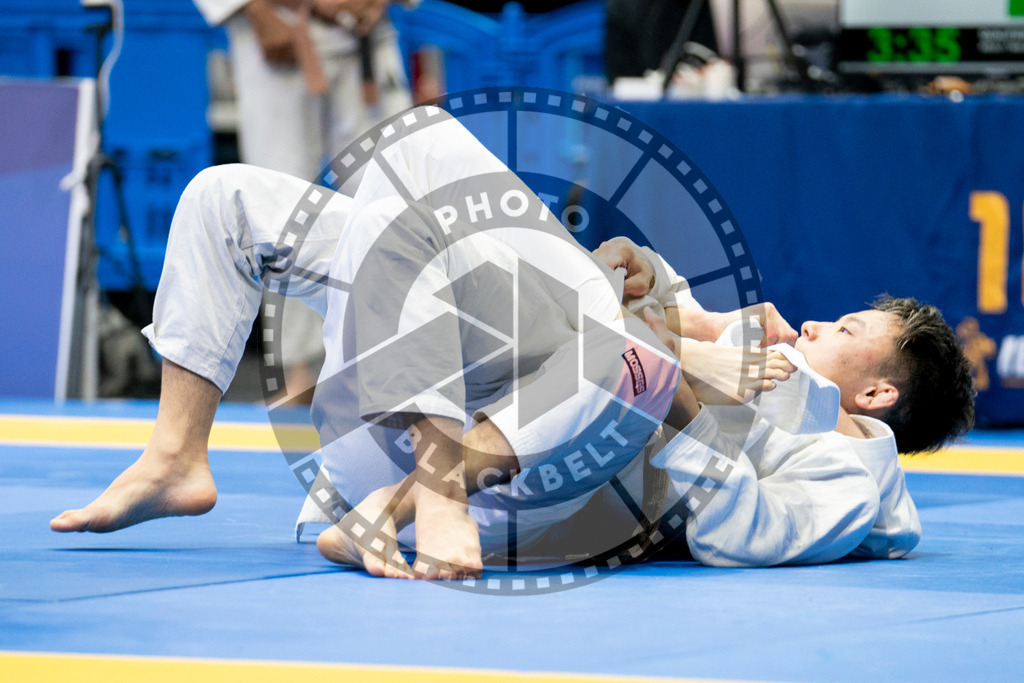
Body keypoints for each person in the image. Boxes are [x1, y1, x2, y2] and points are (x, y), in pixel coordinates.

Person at [50, 107, 974, 577]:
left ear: (878, 395)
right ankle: (177, 452)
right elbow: (630, 309)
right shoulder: (760, 351)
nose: (819, 323)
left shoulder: (854, 470)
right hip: (420, 421)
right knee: (236, 197)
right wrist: (645, 279)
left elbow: (748, 533)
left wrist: (686, 382)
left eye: (846, 331)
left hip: (508, 486)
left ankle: (432, 487)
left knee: (623, 358)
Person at [192, 0, 415, 400]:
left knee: (393, 189)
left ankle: (404, 359)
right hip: (278, 26)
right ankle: (299, 369)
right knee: (279, 202)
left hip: (364, 33)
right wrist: (256, 11)